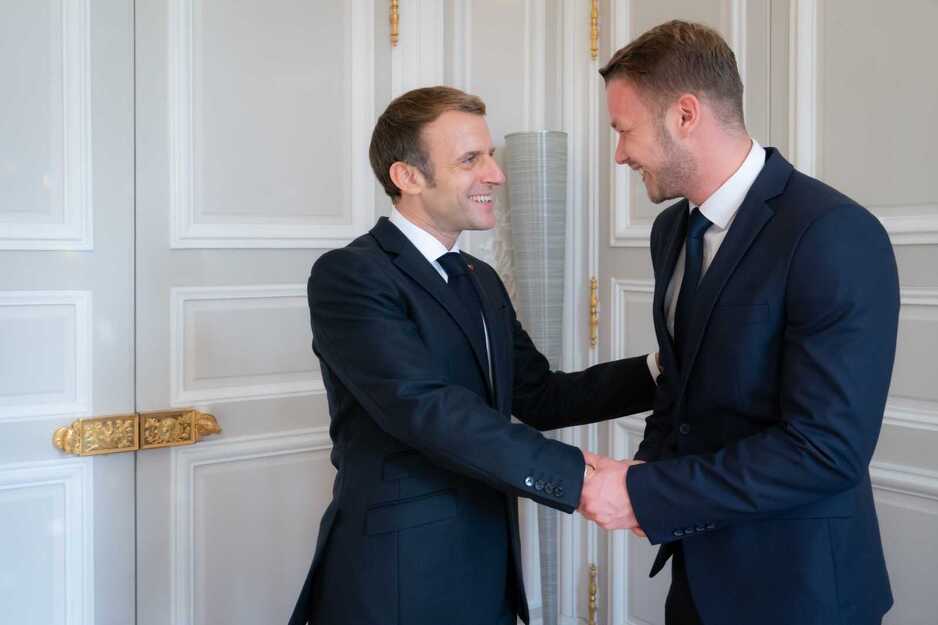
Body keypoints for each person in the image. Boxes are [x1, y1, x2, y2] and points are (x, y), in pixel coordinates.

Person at [288, 86, 659, 625]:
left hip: (485, 563)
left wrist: (657, 370)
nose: (496, 174)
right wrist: (578, 477)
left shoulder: (479, 277)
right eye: (470, 160)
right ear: (407, 177)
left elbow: (540, 394)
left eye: (490, 156)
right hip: (399, 574)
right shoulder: (351, 275)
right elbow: (424, 408)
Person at [578, 20, 898, 625]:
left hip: (802, 593)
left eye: (624, 131)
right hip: (698, 578)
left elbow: (826, 450)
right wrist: (647, 471)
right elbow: (682, 384)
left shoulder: (832, 233)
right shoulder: (671, 230)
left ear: (685, 114)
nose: (619, 153)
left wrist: (647, 494)